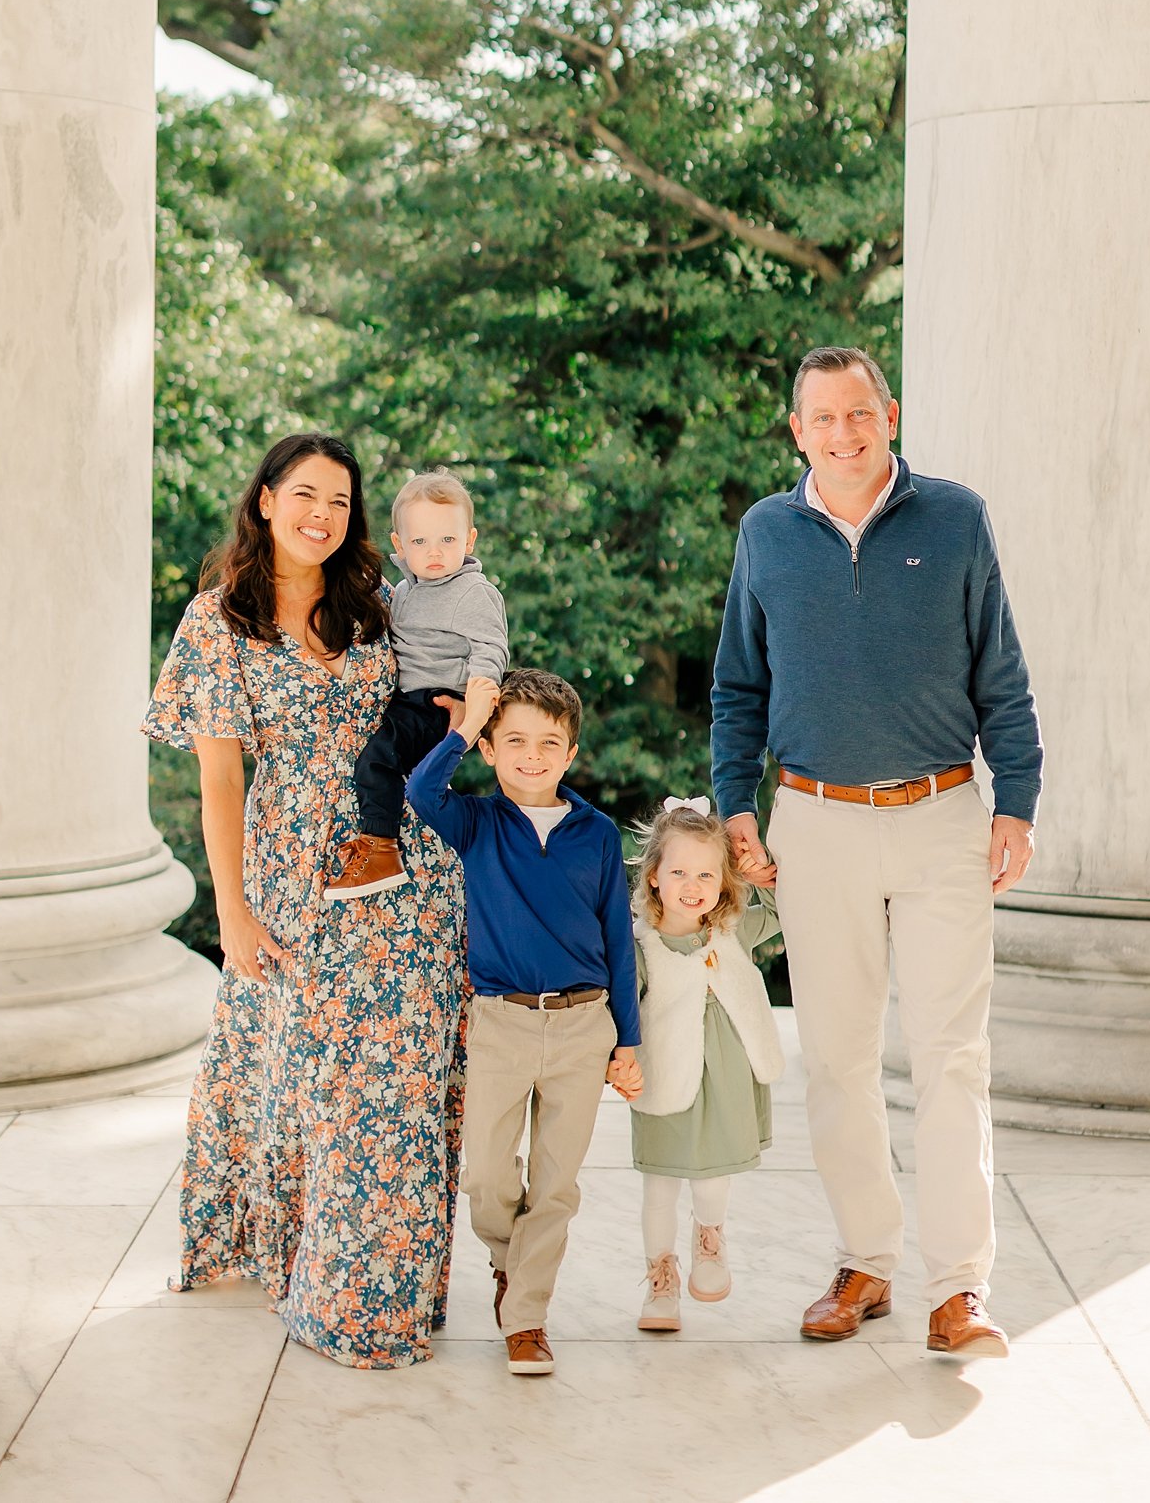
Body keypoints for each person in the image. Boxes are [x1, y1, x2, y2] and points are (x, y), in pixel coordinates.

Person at [711, 346, 1042, 1359]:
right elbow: (738, 688)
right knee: (842, 1060)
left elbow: (1004, 674)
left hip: (943, 811)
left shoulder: (955, 519)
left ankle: (960, 1289)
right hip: (814, 821)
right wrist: (736, 808)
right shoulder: (766, 533)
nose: (844, 433)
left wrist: (1015, 801)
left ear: (887, 415)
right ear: (797, 431)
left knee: (951, 1058)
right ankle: (866, 1262)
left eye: (860, 414)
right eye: (823, 419)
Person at [142, 432, 468, 1369]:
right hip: (289, 870)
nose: (323, 515)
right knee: (312, 1082)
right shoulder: (217, 622)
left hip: (401, 864)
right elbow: (220, 783)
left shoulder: (381, 607)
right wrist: (232, 913)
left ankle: (383, 1295)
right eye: (306, 495)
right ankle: (306, 1267)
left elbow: (440, 698)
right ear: (266, 500)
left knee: (394, 1083)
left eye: (340, 501)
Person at [407, 668, 643, 1376]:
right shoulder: (476, 822)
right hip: (503, 1023)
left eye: (549, 742)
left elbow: (619, 941)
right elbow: (420, 794)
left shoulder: (596, 835)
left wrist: (627, 1039)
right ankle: (513, 1265)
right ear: (489, 747)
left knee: (556, 1182)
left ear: (571, 753)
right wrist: (464, 725)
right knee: (487, 1177)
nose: (531, 755)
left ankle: (527, 1318)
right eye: (513, 740)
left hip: (583, 1025)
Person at [626, 796, 786, 1334]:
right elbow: (622, 1011)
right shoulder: (640, 944)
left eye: (706, 873)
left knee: (715, 1171)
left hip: (727, 1073)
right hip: (667, 1074)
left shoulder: (733, 927)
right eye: (678, 872)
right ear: (653, 877)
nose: (692, 885)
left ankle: (710, 1236)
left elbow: (788, 906)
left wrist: (754, 867)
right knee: (659, 1185)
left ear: (722, 881)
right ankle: (659, 1278)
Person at [325, 470, 509, 899]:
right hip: (409, 699)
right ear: (400, 546)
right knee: (391, 765)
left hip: (440, 701)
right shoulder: (406, 592)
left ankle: (380, 847)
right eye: (420, 542)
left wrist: (479, 700)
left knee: (377, 759)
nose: (434, 553)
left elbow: (490, 646)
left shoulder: (472, 591)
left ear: (470, 540)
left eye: (448, 540)